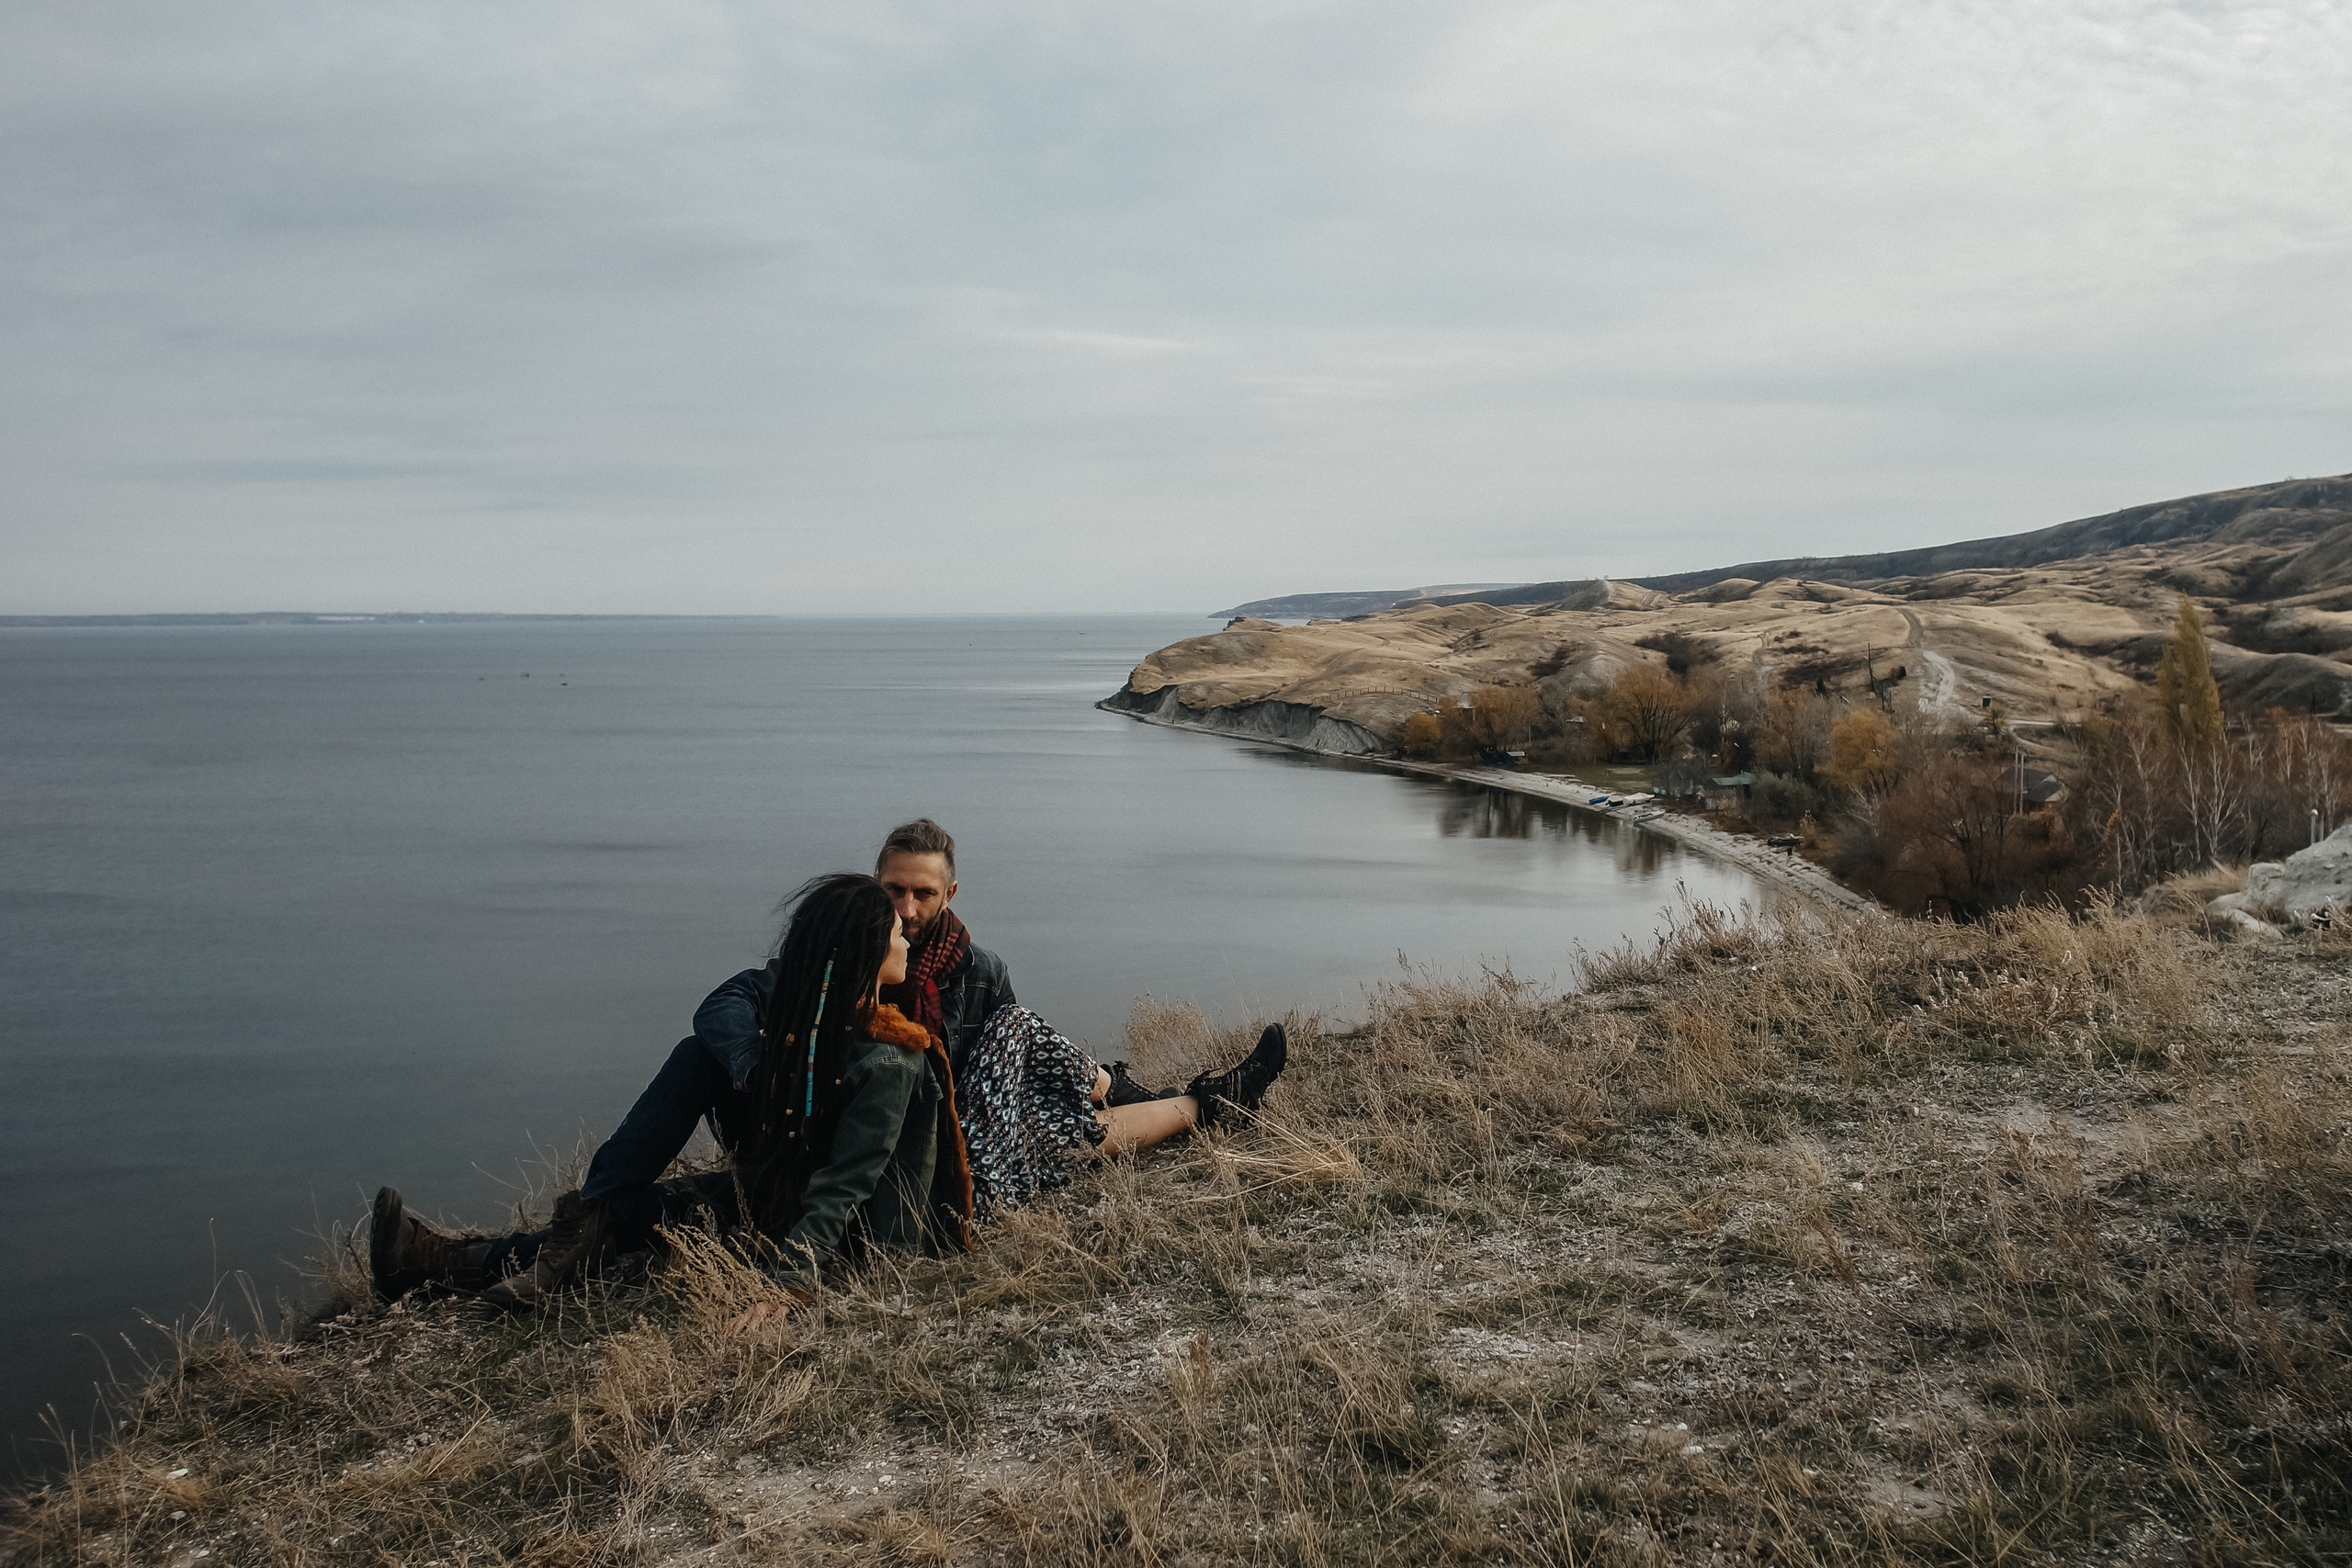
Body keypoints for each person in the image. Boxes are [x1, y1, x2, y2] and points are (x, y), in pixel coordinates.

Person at [369, 820, 1286, 1308]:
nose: (906, 911)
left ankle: (1204, 1102)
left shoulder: (973, 979)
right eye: (892, 894)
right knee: (684, 1117)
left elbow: (895, 1141)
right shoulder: (829, 961)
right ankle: (486, 1251)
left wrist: (793, 1276)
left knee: (1049, 1078)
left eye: (920, 894)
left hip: (939, 1143)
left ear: (950, 892)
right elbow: (723, 1007)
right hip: (828, 1139)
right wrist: (767, 1071)